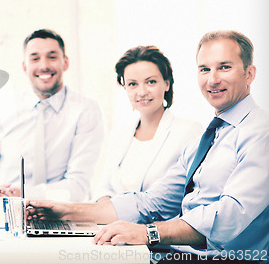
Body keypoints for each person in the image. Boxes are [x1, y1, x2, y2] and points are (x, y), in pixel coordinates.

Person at [28, 30, 269, 261]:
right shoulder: (209, 137)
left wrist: (149, 233)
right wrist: (68, 211)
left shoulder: (260, 133)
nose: (213, 79)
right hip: (176, 253)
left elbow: (230, 216)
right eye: (204, 69)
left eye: (224, 67)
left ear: (249, 74)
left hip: (227, 259)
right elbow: (153, 202)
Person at [0, 29, 104, 201]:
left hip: (63, 213)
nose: (44, 65)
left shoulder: (86, 110)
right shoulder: (5, 108)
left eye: (52, 57)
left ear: (65, 63)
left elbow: (78, 186)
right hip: (7, 210)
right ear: (24, 66)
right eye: (35, 58)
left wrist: (20, 192)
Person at [94, 46, 202, 199]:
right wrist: (106, 205)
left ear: (166, 84)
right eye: (132, 84)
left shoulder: (188, 132)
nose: (142, 92)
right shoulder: (118, 136)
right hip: (113, 221)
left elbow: (193, 193)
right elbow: (102, 187)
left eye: (150, 82)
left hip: (160, 222)